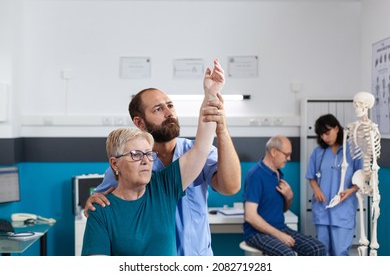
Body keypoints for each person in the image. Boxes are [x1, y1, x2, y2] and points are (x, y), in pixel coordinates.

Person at [84, 59, 241, 256]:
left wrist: (221, 126)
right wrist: (92, 201)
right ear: (139, 122)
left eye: (170, 106)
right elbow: (100, 203)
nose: (169, 113)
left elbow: (231, 186)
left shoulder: (192, 154)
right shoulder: (126, 167)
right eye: (158, 109)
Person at [243, 135, 326, 256]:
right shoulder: (255, 175)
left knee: (317, 248)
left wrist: (289, 196)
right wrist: (279, 235)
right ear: (274, 152)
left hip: (280, 227)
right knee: (288, 255)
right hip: (256, 233)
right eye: (286, 154)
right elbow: (250, 216)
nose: (289, 158)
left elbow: (283, 209)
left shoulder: (278, 174)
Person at [306, 114, 362, 256]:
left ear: (337, 128)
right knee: (323, 252)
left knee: (340, 253)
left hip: (343, 210)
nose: (325, 137)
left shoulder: (353, 150)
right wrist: (316, 188)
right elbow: (311, 176)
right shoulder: (318, 152)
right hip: (322, 209)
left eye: (327, 132)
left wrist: (351, 190)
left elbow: (362, 178)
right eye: (321, 135)